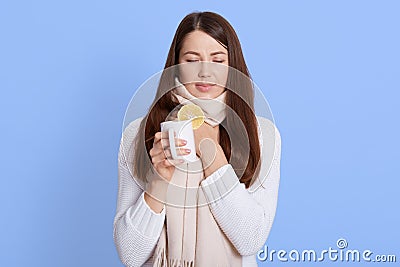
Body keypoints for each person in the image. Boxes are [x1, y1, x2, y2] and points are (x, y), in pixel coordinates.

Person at [113, 11, 282, 267]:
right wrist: (159, 181)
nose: (205, 72)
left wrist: (210, 149)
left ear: (232, 66)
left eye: (218, 59)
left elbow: (250, 238)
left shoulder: (260, 134)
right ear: (177, 66)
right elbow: (130, 255)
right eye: (192, 59)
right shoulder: (139, 134)